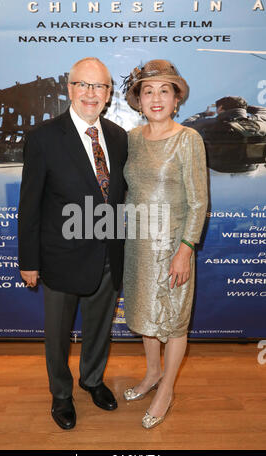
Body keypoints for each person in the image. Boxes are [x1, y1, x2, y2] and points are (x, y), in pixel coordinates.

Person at [18, 57, 127, 430]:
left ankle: (92, 380)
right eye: (84, 85)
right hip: (60, 258)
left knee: (99, 329)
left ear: (109, 94)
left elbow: (118, 199)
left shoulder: (117, 136)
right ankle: (61, 394)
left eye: (100, 87)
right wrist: (29, 261)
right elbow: (29, 206)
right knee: (58, 336)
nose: (91, 94)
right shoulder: (43, 138)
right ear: (69, 88)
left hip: (108, 256)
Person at [122, 60, 208, 429]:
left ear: (177, 98)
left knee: (173, 321)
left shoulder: (188, 139)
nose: (155, 98)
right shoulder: (132, 139)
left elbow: (199, 201)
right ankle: (152, 372)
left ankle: (167, 389)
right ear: (138, 100)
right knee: (145, 316)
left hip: (174, 246)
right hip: (138, 245)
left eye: (164, 90)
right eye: (148, 91)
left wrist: (185, 250)